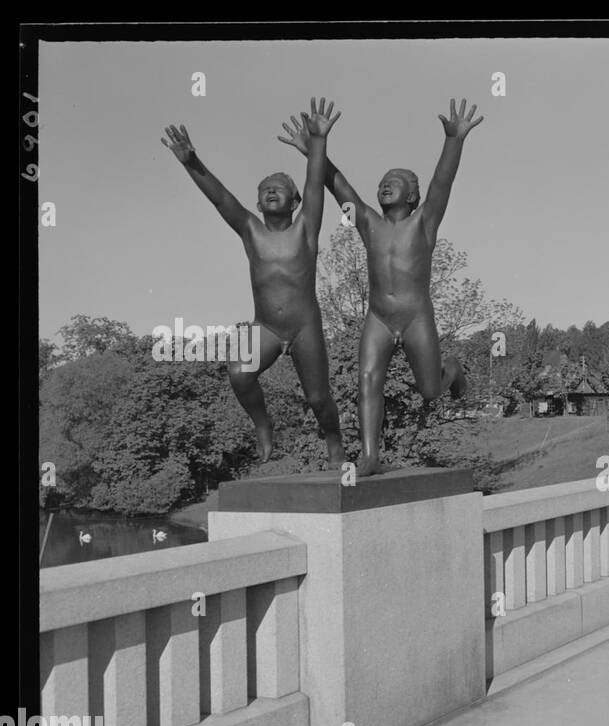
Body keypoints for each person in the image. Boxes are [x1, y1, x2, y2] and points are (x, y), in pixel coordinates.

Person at [279, 98, 480, 476]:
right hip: (379, 318)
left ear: (412, 196)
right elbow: (341, 191)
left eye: (397, 183)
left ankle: (451, 369)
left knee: (430, 392)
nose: (387, 185)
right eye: (384, 182)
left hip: (416, 316)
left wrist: (454, 140)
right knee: (367, 379)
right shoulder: (367, 222)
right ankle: (370, 455)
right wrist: (314, 151)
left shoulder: (425, 223)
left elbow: (442, 182)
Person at [163, 100, 346, 465]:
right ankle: (264, 427)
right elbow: (220, 198)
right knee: (238, 373)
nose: (271, 191)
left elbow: (314, 183)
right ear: (258, 204)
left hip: (304, 327)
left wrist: (318, 142)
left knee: (317, 398)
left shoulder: (306, 229)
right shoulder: (250, 230)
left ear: (295, 201)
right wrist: (191, 163)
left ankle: (335, 441)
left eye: (279, 188)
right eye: (265, 190)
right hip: (265, 326)